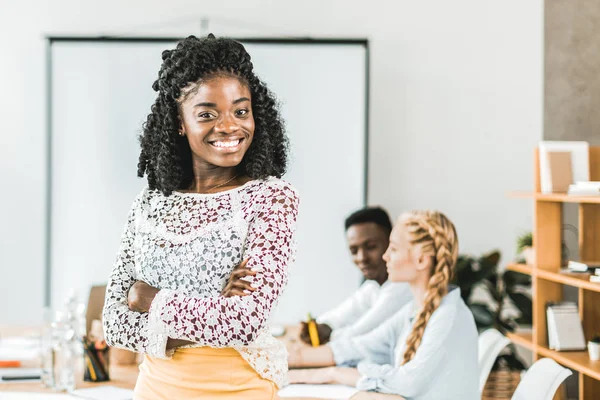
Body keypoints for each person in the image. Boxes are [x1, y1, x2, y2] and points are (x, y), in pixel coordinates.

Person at [102, 34, 299, 400]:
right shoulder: (147, 206)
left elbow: (244, 322)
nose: (229, 126)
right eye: (207, 114)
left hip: (238, 390)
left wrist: (149, 298)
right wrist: (213, 309)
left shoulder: (270, 199)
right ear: (179, 122)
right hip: (153, 390)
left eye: (241, 111)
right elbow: (114, 325)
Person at [286, 210, 479, 400]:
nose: (385, 256)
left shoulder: (448, 316)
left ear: (421, 260)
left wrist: (339, 373)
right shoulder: (412, 311)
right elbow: (359, 347)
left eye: (393, 249)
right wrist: (289, 362)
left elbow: (408, 382)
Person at [300, 207, 412, 344]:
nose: (362, 258)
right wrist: (321, 326)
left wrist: (328, 336)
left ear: (391, 242)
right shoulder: (373, 286)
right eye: (354, 250)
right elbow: (342, 313)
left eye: (371, 247)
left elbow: (359, 334)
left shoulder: (403, 286)